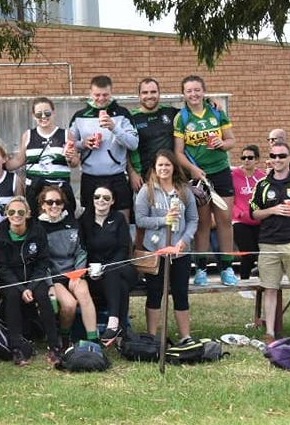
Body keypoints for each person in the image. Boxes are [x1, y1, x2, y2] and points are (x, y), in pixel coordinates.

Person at [172, 75, 239, 287]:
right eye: (189, 91)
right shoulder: (181, 118)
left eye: (197, 90)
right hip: (198, 176)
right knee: (202, 223)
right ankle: (201, 268)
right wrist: (193, 170)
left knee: (224, 221)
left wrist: (222, 142)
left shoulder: (217, 111)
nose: (193, 94)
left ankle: (227, 268)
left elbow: (232, 141)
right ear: (184, 94)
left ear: (204, 91)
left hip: (220, 172)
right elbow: (178, 152)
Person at [249, 140, 290, 341]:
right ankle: (269, 332)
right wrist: (272, 210)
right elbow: (254, 213)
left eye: (281, 156)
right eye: (273, 156)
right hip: (268, 242)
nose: (277, 160)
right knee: (270, 288)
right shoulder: (262, 184)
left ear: (289, 158)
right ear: (269, 160)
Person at [134, 150, 200, 345]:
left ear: (173, 167)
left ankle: (185, 336)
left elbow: (193, 219)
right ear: (155, 167)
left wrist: (185, 240)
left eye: (167, 165)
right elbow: (140, 219)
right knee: (155, 294)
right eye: (160, 165)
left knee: (180, 294)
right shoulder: (148, 191)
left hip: (179, 253)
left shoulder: (184, 190)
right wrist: (164, 220)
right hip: (156, 251)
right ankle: (152, 336)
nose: (163, 168)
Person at [0, 196, 58, 364]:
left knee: (43, 296)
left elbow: (43, 262)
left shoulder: (37, 231)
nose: (16, 215)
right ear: (6, 213)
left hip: (33, 278)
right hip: (10, 280)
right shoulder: (0, 233)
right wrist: (23, 289)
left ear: (28, 214)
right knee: (13, 296)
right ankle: (17, 348)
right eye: (12, 211)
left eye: (21, 211)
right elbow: (1, 267)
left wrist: (31, 286)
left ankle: (54, 346)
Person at [32, 186, 97, 348]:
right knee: (69, 305)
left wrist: (77, 273)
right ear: (43, 205)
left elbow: (81, 251)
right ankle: (64, 336)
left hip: (73, 272)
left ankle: (93, 340)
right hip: (54, 276)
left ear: (63, 204)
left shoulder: (72, 222)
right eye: (50, 202)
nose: (54, 205)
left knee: (83, 293)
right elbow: (41, 261)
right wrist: (49, 285)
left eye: (58, 202)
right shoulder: (38, 227)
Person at [69, 76, 139, 216]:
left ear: (111, 92)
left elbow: (133, 144)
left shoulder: (122, 113)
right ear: (90, 93)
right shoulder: (80, 116)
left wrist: (114, 128)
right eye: (97, 95)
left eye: (105, 95)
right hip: (90, 177)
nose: (101, 98)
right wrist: (83, 144)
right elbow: (69, 144)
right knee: (90, 222)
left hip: (117, 176)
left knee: (121, 220)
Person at [79, 186, 134, 345]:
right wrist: (90, 267)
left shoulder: (118, 219)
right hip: (95, 274)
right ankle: (121, 331)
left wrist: (107, 266)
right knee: (120, 286)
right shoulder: (85, 220)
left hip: (121, 268)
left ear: (112, 201)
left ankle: (113, 322)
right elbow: (82, 249)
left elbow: (124, 249)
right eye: (97, 197)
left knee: (113, 271)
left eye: (106, 198)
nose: (101, 200)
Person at [13, 97, 79, 208]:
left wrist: (71, 158)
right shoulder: (28, 135)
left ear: (54, 113)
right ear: (33, 116)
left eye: (47, 113)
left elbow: (75, 163)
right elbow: (19, 160)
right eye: (39, 114)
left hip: (59, 189)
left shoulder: (66, 134)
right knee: (35, 223)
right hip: (35, 190)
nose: (43, 117)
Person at [127, 78, 179, 194]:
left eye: (153, 92)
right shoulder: (131, 118)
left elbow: (193, 111)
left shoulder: (171, 112)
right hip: (143, 179)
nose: (149, 96)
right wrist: (132, 173)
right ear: (139, 96)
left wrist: (209, 101)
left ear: (159, 93)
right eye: (145, 92)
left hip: (171, 177)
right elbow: (124, 150)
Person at [232, 145, 267, 280]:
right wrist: (239, 213)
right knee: (247, 253)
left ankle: (264, 283)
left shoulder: (262, 177)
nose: (246, 160)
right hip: (240, 221)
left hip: (258, 220)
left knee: (261, 253)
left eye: (250, 158)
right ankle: (244, 283)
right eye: (243, 157)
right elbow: (230, 199)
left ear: (257, 159)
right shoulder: (234, 176)